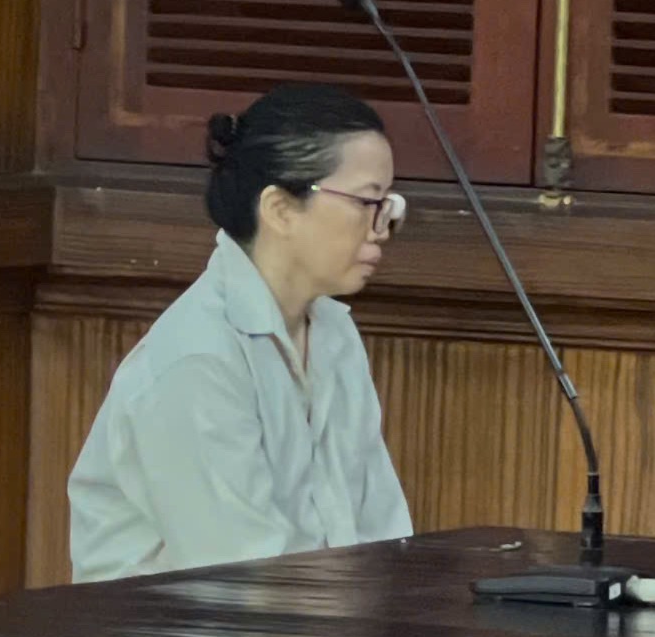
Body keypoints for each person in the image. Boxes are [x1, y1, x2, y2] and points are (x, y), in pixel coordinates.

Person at [67, 83, 414, 583]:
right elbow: (243, 577)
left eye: (388, 206)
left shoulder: (334, 334)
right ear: (279, 209)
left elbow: (384, 539)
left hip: (323, 610)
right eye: (367, 202)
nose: (381, 228)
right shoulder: (196, 360)